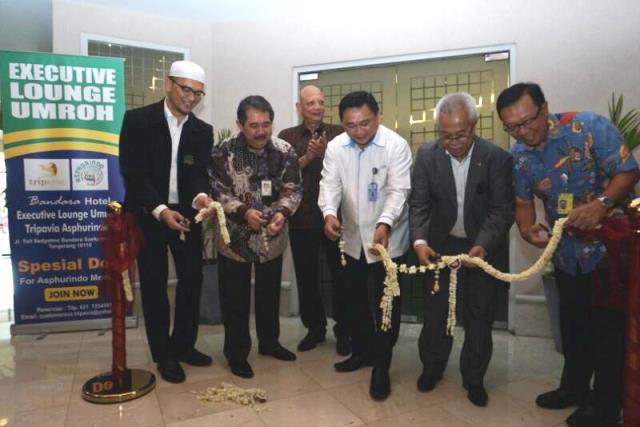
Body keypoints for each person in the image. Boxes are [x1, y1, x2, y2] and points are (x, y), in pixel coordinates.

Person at [498, 82, 640, 426]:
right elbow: (522, 202)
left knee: (607, 332)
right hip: (565, 255)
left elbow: (629, 171)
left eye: (527, 121)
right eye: (512, 127)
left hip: (610, 254)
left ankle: (605, 408)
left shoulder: (589, 127)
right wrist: (527, 228)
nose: (522, 131)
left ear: (544, 109)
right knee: (573, 327)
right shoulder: (519, 156)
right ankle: (574, 389)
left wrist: (602, 204)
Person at [409, 92, 514, 407]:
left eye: (461, 135)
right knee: (436, 312)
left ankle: (474, 378)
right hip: (439, 248)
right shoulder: (427, 155)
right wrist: (420, 242)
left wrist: (481, 245)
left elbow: (502, 210)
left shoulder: (496, 158)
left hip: (481, 246)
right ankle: (432, 368)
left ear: (475, 125)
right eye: (446, 136)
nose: (453, 142)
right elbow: (419, 204)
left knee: (479, 315)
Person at [119, 60, 215, 383]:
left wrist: (201, 196)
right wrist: (160, 210)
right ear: (168, 84)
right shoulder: (138, 121)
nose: (191, 98)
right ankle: (163, 356)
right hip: (149, 214)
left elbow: (198, 173)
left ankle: (184, 345)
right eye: (186, 90)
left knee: (191, 280)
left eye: (198, 94)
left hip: (186, 213)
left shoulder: (202, 131)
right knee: (155, 284)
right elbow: (133, 172)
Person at [319, 90, 412, 401]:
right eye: (350, 126)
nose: (359, 132)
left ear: (378, 116)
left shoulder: (395, 145)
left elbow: (399, 191)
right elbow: (329, 184)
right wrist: (329, 214)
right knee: (353, 300)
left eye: (365, 123)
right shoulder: (335, 147)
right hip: (351, 238)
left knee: (387, 306)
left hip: (388, 241)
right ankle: (362, 351)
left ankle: (381, 366)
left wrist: (384, 224)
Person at [209, 95, 302, 379]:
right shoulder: (222, 152)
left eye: (266, 124)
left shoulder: (285, 150)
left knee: (269, 294)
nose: (261, 131)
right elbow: (217, 190)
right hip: (233, 238)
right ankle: (237, 354)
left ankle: (269, 343)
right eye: (253, 125)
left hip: (272, 236)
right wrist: (243, 212)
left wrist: (282, 214)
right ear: (240, 125)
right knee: (234, 298)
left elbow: (293, 188)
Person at [278, 85, 351, 355]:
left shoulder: (340, 134)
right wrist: (309, 156)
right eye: (311, 103)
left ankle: (344, 331)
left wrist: (325, 154)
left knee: (340, 276)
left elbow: (350, 168)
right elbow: (282, 175)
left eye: (321, 102)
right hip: (302, 218)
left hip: (336, 218)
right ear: (299, 107)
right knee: (306, 277)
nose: (317, 107)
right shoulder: (287, 137)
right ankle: (315, 329)